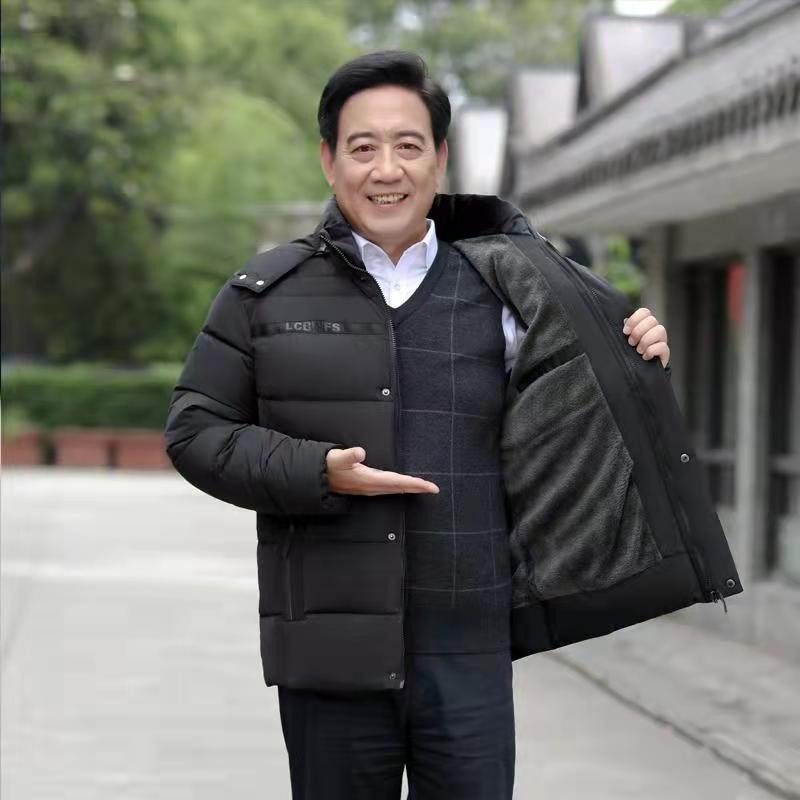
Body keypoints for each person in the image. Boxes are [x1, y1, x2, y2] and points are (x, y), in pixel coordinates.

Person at [165, 51, 741, 800]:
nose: (386, 169)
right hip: (330, 652)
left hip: (469, 648)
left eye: (408, 145)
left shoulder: (510, 288)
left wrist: (638, 352)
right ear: (329, 160)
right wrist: (318, 472)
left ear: (440, 158)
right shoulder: (264, 295)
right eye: (363, 147)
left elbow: (583, 410)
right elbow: (195, 432)